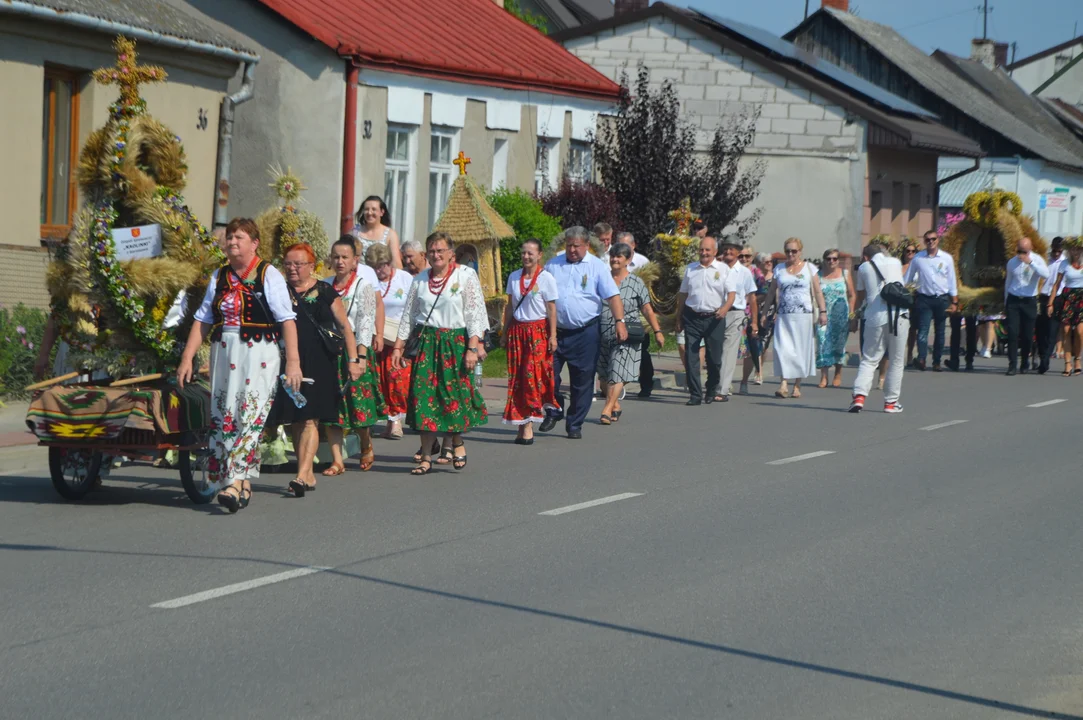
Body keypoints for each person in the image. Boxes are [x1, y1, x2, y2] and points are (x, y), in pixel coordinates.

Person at [176, 218, 301, 513]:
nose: (232, 242)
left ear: (254, 243)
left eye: (240, 237)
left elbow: (287, 320)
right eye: (230, 237)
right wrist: (187, 358)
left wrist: (293, 363)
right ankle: (241, 481)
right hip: (224, 352)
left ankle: (232, 482)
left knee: (251, 414)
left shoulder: (268, 274)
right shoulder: (218, 276)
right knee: (224, 413)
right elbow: (203, 319)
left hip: (259, 353)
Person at [391, 232, 488, 474]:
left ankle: (456, 441)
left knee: (451, 396)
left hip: (454, 343)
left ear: (451, 254)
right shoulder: (420, 280)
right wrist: (398, 347)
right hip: (426, 343)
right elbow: (409, 316)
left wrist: (473, 347)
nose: (436, 255)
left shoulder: (465, 276)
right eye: (432, 251)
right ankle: (425, 457)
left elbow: (474, 313)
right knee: (423, 398)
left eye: (440, 250)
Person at [270, 244, 362, 497]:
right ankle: (308, 473)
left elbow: (344, 327)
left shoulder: (325, 291)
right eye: (287, 264)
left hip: (320, 362)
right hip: (288, 361)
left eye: (298, 264)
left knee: (311, 418)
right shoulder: (278, 292)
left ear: (312, 265)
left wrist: (354, 360)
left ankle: (301, 475)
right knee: (297, 418)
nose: (292, 269)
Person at [539, 227, 625, 439]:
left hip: (585, 332)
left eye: (577, 246)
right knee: (546, 375)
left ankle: (575, 423)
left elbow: (613, 297)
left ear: (587, 245)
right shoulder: (553, 265)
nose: (572, 249)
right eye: (569, 245)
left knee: (582, 380)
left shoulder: (596, 267)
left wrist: (620, 322)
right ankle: (554, 409)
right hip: (555, 332)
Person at [324, 237, 385, 473]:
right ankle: (337, 460)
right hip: (330, 351)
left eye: (345, 257)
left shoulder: (364, 287)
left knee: (359, 402)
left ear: (354, 261)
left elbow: (366, 322)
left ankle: (365, 442)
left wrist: (359, 357)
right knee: (331, 407)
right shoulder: (325, 285)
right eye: (336, 257)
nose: (340, 261)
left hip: (355, 348)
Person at [597, 242, 663, 423]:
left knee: (618, 371)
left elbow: (647, 309)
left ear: (628, 260)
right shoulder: (603, 279)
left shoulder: (636, 283)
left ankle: (607, 409)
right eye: (613, 256)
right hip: (602, 331)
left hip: (627, 334)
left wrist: (657, 331)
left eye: (619, 257)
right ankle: (615, 404)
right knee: (603, 375)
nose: (615, 260)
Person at [501, 238, 558, 445]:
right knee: (517, 377)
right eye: (524, 252)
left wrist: (553, 336)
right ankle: (520, 422)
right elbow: (509, 306)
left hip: (537, 332)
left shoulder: (546, 278)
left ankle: (529, 423)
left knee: (531, 376)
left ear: (539, 255)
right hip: (518, 330)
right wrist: (505, 331)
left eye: (530, 253)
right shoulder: (514, 277)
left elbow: (551, 309)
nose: (526, 256)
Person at [675, 236, 735, 406]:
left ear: (715, 252)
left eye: (708, 250)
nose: (704, 253)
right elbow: (683, 294)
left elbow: (731, 294)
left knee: (714, 359)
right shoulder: (691, 269)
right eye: (701, 249)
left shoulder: (723, 269)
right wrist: (679, 317)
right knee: (691, 357)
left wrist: (724, 309)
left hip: (714, 318)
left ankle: (711, 389)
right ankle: (695, 395)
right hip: (692, 317)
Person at [849, 241, 907, 413]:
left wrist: (855, 315)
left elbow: (861, 295)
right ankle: (891, 402)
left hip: (874, 316)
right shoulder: (896, 262)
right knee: (896, 360)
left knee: (869, 359)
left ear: (866, 257)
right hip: (899, 316)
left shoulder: (864, 268)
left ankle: (859, 397)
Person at [768, 237, 827, 399]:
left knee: (800, 350)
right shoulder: (779, 269)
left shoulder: (810, 268)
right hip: (784, 316)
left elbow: (817, 291)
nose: (791, 254)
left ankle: (797, 385)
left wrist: (823, 312)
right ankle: (783, 384)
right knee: (782, 349)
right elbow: (772, 292)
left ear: (800, 252)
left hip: (803, 317)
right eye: (787, 251)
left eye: (794, 251)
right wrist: (764, 312)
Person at [368, 243, 414, 441]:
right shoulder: (369, 281)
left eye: (384, 264)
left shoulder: (405, 279)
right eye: (376, 266)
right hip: (376, 338)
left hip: (399, 338)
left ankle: (395, 420)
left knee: (396, 379)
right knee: (377, 381)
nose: (381, 270)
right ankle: (380, 419)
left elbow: (414, 307)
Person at [905, 230, 959, 371]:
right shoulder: (918, 258)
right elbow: (908, 279)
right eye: (928, 239)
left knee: (940, 331)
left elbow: (952, 280)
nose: (931, 242)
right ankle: (922, 358)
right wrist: (903, 291)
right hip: (924, 299)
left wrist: (954, 301)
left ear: (938, 240)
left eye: (933, 239)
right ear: (924, 241)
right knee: (923, 331)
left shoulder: (947, 258)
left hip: (941, 298)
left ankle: (936, 361)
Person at [1002, 236, 1049, 376]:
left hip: (1029, 300)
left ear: (1030, 249)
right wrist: (1006, 302)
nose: (1021, 254)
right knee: (1012, 333)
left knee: (1028, 335)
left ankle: (1024, 362)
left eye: (1024, 251)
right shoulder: (1012, 262)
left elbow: (1046, 274)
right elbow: (1008, 282)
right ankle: (1012, 365)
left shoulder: (1037, 259)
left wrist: (1031, 263)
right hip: (1014, 300)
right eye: (1020, 250)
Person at [717, 240, 757, 400]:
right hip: (717, 313)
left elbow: (752, 298)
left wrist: (754, 321)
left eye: (731, 249)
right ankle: (714, 382)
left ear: (738, 252)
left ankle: (722, 389)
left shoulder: (744, 272)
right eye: (725, 249)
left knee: (728, 352)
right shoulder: (717, 269)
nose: (728, 252)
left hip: (736, 314)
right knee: (715, 351)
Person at [815, 248, 856, 388]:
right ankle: (824, 376)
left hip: (841, 315)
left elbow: (852, 294)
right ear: (824, 260)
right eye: (828, 259)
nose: (831, 261)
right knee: (822, 343)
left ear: (838, 261)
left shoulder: (845, 274)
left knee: (839, 344)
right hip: (824, 315)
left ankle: (838, 372)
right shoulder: (818, 275)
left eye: (834, 259)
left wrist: (852, 314)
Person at [1047, 238, 1083, 376]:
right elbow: (1057, 284)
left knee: (1080, 332)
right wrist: (1050, 303)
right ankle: (1067, 363)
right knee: (1066, 330)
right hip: (1068, 296)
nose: (1075, 251)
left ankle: (1078, 359)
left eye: (1078, 249)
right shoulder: (1064, 264)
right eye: (1073, 249)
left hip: (1082, 297)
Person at [738, 246, 765, 394]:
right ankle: (726, 382)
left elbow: (764, 292)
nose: (744, 259)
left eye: (747, 256)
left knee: (749, 350)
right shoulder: (732, 270)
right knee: (729, 348)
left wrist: (750, 300)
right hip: (733, 314)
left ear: (752, 257)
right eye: (741, 256)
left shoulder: (756, 273)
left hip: (749, 315)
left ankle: (744, 381)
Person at [1036, 236, 1065, 374]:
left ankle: (1045, 359)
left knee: (1052, 330)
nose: (1056, 253)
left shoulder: (1066, 262)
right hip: (1042, 296)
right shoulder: (1045, 259)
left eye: (1059, 251)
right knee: (1040, 330)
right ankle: (1042, 355)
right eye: (1054, 250)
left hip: (1058, 298)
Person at [351, 195, 402, 269]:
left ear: (381, 212)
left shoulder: (390, 234)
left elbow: (396, 262)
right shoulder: (355, 231)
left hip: (381, 276)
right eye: (366, 209)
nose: (369, 213)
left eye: (374, 209)